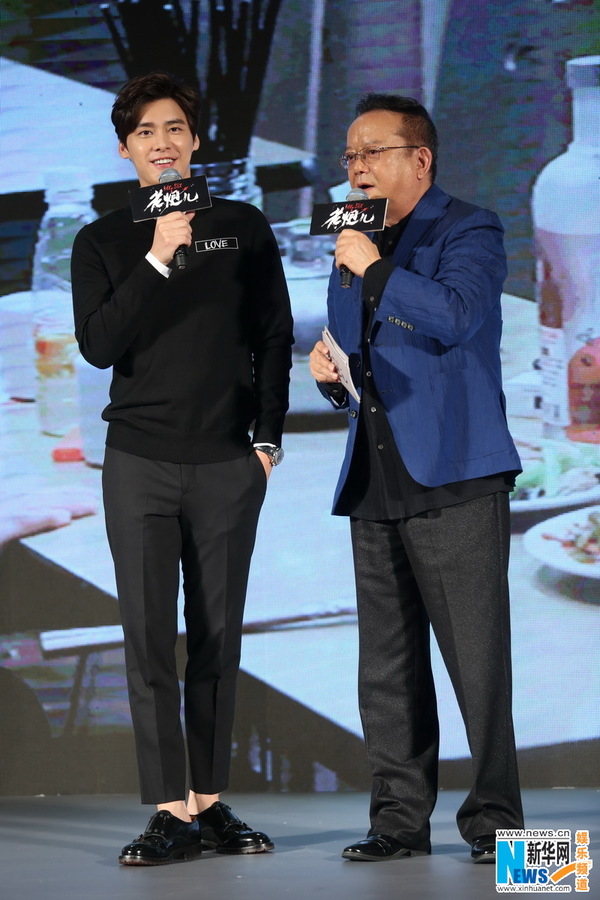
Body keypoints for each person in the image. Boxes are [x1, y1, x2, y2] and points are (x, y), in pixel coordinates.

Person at [71, 72, 293, 866]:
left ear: (195, 140)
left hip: (227, 461)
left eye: (174, 129)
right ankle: (170, 810)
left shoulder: (242, 226)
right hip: (138, 460)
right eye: (145, 133)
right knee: (147, 639)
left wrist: (267, 443)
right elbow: (99, 345)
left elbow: (274, 336)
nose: (161, 144)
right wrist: (159, 258)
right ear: (125, 150)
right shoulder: (102, 240)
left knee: (217, 638)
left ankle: (208, 801)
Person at [309, 93, 524, 864]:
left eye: (371, 152)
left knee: (477, 664)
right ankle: (398, 823)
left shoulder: (468, 228)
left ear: (420, 159)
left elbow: (457, 314)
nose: (356, 168)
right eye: (349, 156)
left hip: (454, 476)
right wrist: (331, 378)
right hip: (375, 476)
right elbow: (359, 361)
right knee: (387, 669)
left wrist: (373, 269)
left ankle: (498, 826)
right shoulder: (354, 241)